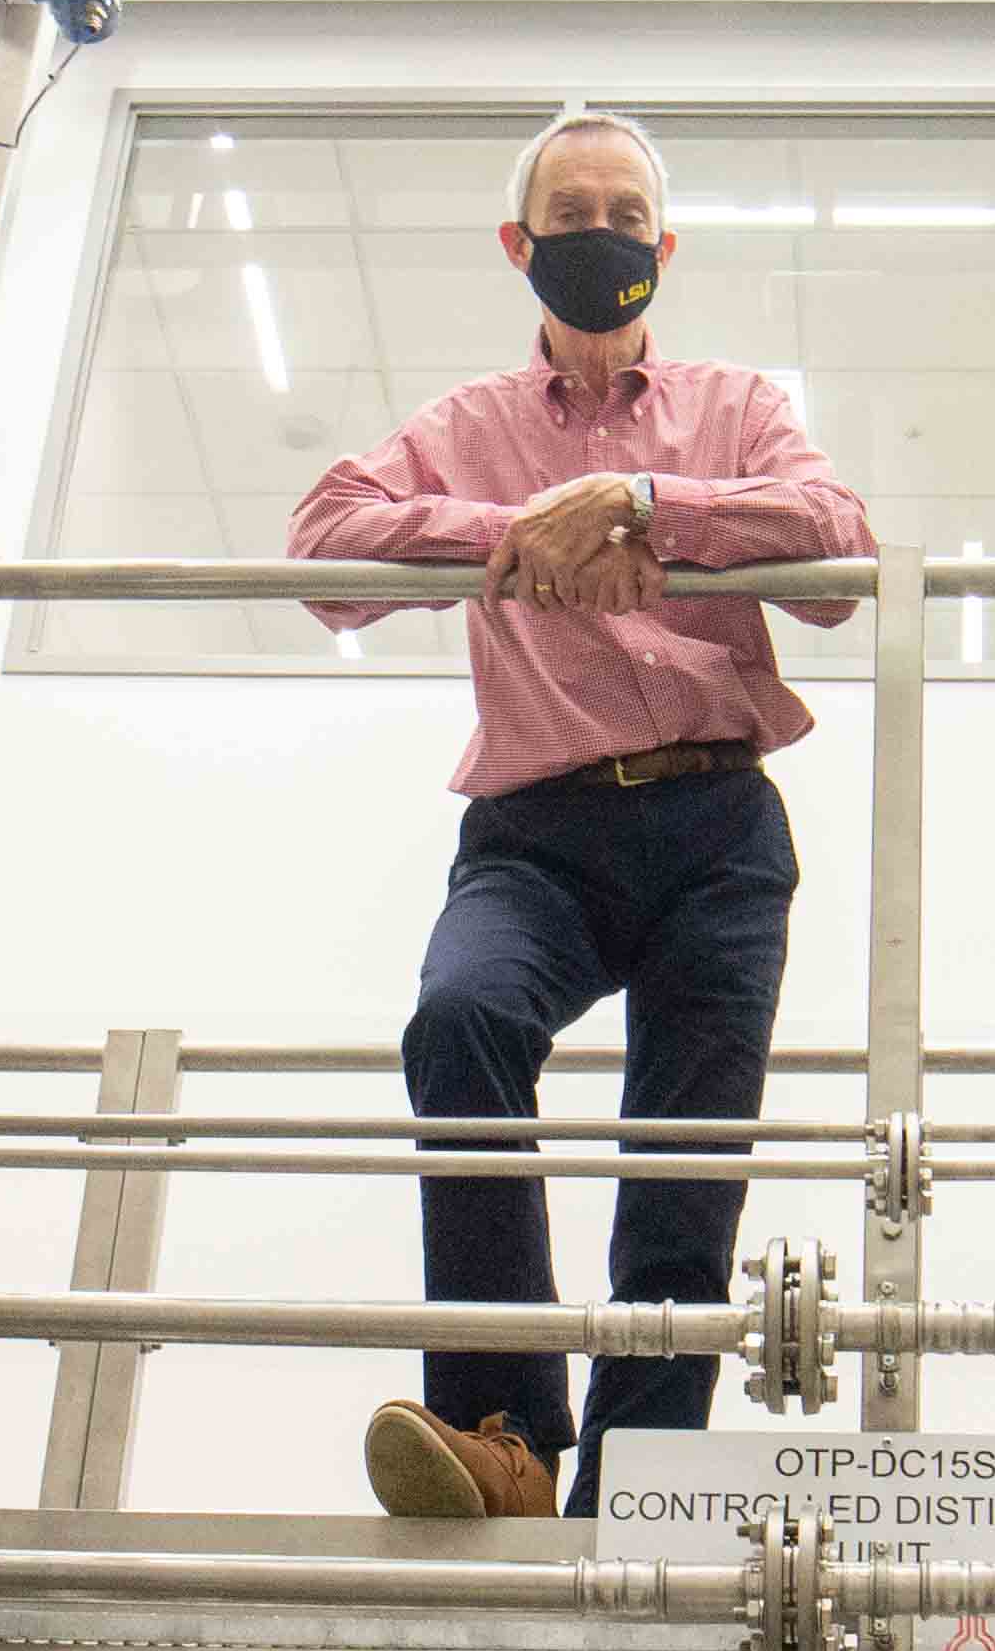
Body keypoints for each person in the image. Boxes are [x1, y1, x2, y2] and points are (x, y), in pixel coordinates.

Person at [290, 108, 877, 1520]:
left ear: (663, 249)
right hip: (537, 828)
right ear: (520, 244)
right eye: (571, 214)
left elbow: (839, 555)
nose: (599, 237)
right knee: (462, 1022)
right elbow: (324, 557)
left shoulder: (735, 408)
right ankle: (503, 1432)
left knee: (684, 1160)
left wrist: (648, 506)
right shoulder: (468, 428)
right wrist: (520, 533)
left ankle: (635, 1489)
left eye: (626, 215)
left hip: (716, 824)